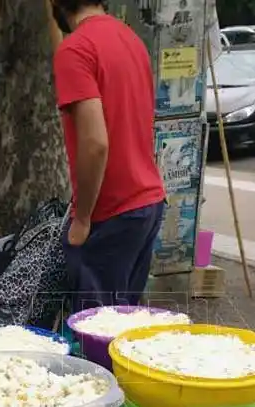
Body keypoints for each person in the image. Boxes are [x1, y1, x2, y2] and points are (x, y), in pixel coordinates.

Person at [52, 0, 167, 309]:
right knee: (124, 319)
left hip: (111, 210)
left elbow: (95, 143)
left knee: (96, 325)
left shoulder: (75, 49)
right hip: (148, 201)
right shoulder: (131, 39)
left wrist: (82, 218)